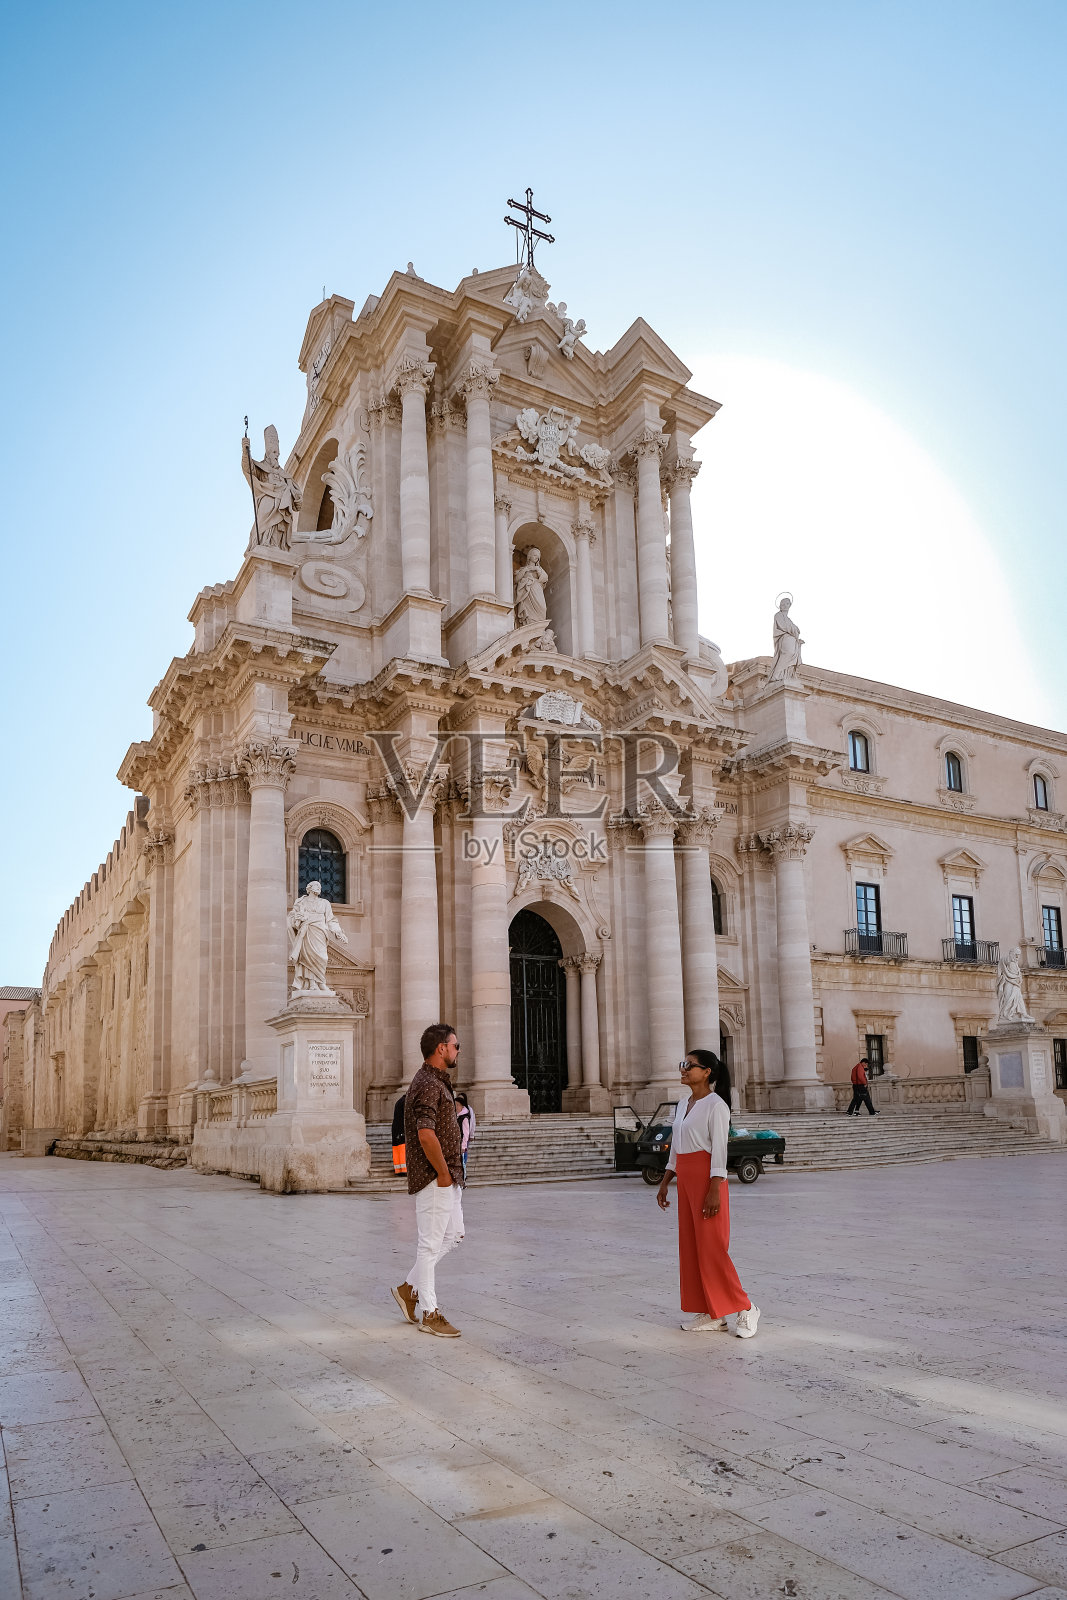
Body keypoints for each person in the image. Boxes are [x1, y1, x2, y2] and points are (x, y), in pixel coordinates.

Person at [657, 1050, 760, 1338]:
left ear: (707, 1073)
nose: (684, 1069)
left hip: (708, 1180)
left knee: (713, 1248)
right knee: (691, 1247)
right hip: (686, 1179)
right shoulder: (682, 1104)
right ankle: (712, 1313)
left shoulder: (717, 1106)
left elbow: (719, 1150)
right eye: (683, 1064)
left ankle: (746, 1307)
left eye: (690, 1066)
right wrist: (666, 1180)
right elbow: (676, 1146)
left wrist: (716, 1187)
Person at [391, 1024, 465, 1338]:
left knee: (455, 1235)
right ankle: (429, 1313)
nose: (458, 1050)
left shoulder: (437, 1081)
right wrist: (444, 1173)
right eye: (455, 1045)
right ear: (441, 1049)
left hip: (449, 1176)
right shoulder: (426, 1083)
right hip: (437, 1177)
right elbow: (424, 1132)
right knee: (430, 1243)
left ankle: (409, 1288)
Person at [454, 1091, 476, 1178]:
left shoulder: (465, 1115)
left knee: (463, 1160)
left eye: (457, 1105)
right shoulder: (457, 1115)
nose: (455, 1106)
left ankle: (463, 1177)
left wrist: (471, 1135)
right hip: (457, 1142)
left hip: (463, 1141)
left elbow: (468, 1129)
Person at [390, 1092, 407, 1175]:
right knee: (402, 1148)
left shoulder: (399, 1101)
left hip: (396, 1129)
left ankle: (399, 1170)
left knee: (397, 1148)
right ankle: (404, 1169)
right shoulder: (405, 1101)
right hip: (401, 1129)